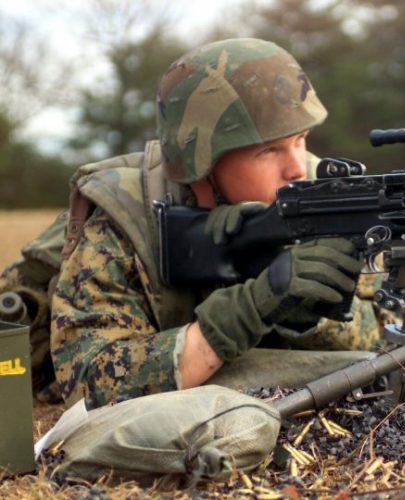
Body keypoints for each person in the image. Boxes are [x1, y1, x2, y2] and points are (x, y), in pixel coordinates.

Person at [44, 38, 384, 408]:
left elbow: (382, 333)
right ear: (200, 163)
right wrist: (239, 316)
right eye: (268, 150)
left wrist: (311, 316)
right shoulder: (123, 221)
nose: (298, 169)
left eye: (300, 140)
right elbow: (87, 386)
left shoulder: (319, 193)